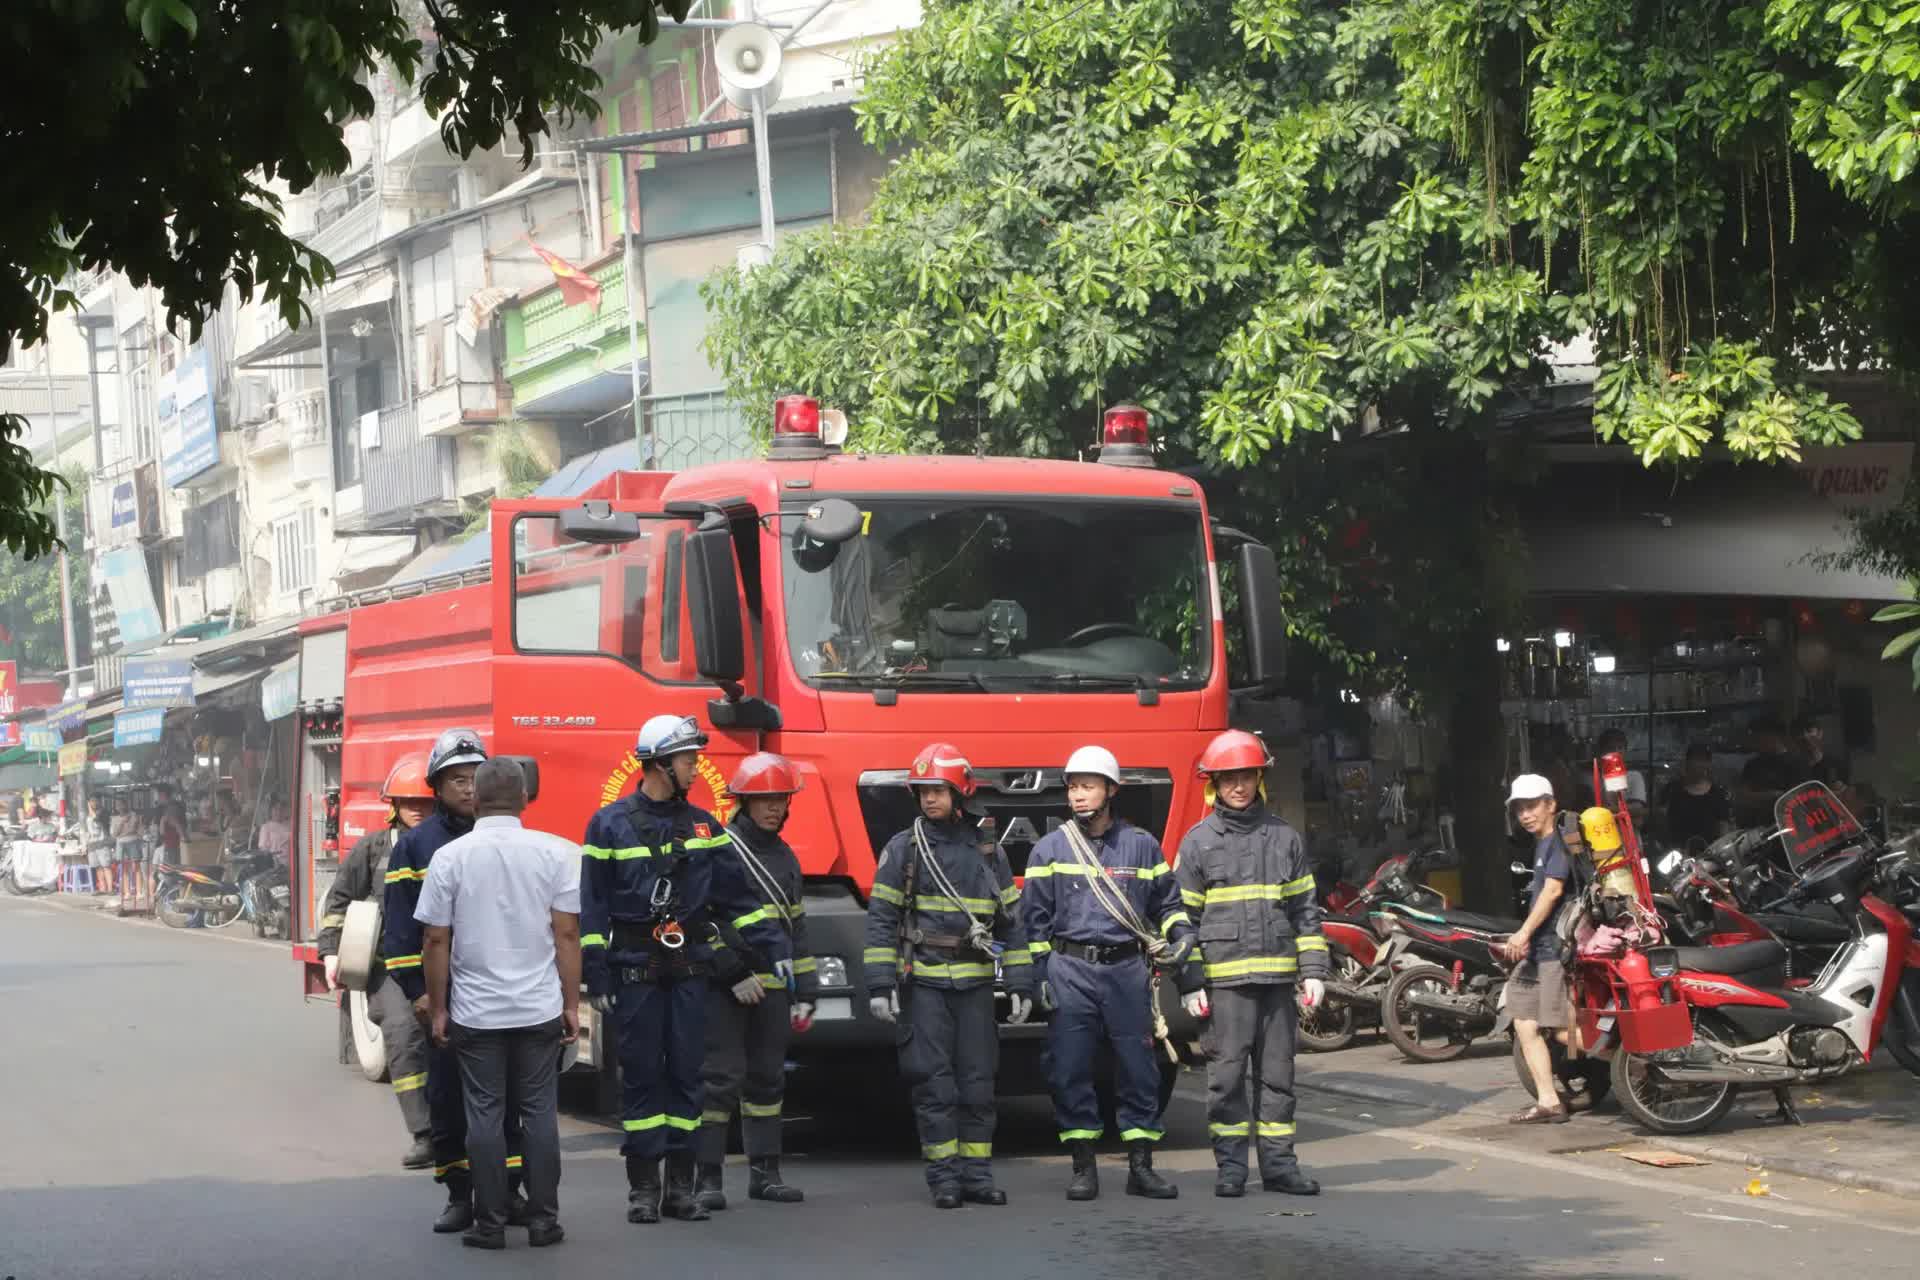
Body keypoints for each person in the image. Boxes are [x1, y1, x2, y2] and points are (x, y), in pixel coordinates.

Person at [578, 714, 777, 1226]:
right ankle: (643, 1190)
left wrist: (772, 950)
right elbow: (593, 907)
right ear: (661, 763)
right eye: (689, 760)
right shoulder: (609, 825)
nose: (696, 768)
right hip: (635, 972)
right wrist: (596, 974)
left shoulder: (705, 828)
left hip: (690, 972)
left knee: (689, 1075)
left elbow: (738, 900)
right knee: (642, 1078)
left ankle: (680, 1189)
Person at [416, 759, 580, 1251]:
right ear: (526, 798)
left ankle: (488, 1225)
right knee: (539, 1115)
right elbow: (567, 933)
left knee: (483, 1116)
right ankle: (543, 1221)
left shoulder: (450, 857)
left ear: (478, 799)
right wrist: (571, 1004)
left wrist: (440, 1008)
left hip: (476, 1013)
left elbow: (434, 939)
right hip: (538, 1009)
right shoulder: (556, 852)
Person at [863, 741, 1035, 1210]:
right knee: (933, 1085)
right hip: (925, 985)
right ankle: (944, 1180)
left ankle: (977, 1177)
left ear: (960, 792)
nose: (929, 799)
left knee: (979, 1085)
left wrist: (1020, 984)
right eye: (922, 792)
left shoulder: (987, 852)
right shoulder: (904, 850)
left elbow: (1011, 924)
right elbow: (881, 919)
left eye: (937, 790)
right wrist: (880, 984)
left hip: (976, 986)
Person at [1023, 744, 1197, 1201]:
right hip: (1070, 970)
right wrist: (1039, 974)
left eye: (1088, 787)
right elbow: (1034, 922)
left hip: (1126, 971)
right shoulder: (1049, 849)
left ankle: (1142, 1168)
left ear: (1111, 790)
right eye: (1074, 788)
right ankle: (1083, 1168)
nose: (1078, 796)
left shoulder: (1141, 845)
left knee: (1140, 1070)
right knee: (1069, 1068)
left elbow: (1169, 905)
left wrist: (1181, 937)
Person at [1174, 729, 1328, 1199]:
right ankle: (1232, 1170)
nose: (1238, 786)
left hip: (1278, 983)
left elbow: (1306, 911)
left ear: (1259, 779)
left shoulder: (1284, 838)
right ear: (1213, 785)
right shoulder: (1197, 844)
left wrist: (1315, 971)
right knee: (1226, 1081)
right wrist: (1189, 978)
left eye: (1246, 776)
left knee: (1279, 1077)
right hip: (1225, 987)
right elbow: (1182, 921)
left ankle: (1280, 1168)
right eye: (1228, 778)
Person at [382, 727, 524, 1234]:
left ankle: (509, 1192)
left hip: (504, 994)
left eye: (475, 778)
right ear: (436, 788)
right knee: (449, 1101)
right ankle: (461, 1195)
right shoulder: (416, 848)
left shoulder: (511, 838)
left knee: (510, 1102)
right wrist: (421, 995)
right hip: (447, 997)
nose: (467, 788)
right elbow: (400, 934)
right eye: (455, 779)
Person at [694, 752, 817, 1210]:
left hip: (774, 989)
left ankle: (766, 1172)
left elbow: (795, 929)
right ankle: (706, 1179)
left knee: (767, 1081)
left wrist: (806, 992)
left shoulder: (784, 856)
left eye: (780, 799)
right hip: (726, 986)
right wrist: (733, 972)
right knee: (720, 1080)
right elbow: (703, 921)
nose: (773, 808)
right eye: (763, 799)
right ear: (742, 802)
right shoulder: (720, 848)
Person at [316, 752, 438, 1168]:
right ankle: (424, 1134)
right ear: (394, 806)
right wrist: (331, 952)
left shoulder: (457, 842)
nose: (418, 810)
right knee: (403, 1036)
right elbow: (339, 901)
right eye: (410, 803)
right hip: (392, 965)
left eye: (426, 802)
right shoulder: (372, 849)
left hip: (448, 962)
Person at [1502, 773, 1573, 1124]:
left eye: (1532, 807)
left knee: (1561, 1030)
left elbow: (1553, 892)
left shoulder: (1558, 842)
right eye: (1520, 810)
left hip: (1553, 950)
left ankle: (1636, 1060)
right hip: (1536, 952)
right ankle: (1549, 1101)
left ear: (1551, 805)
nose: (1526, 815)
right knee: (1525, 1023)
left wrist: (1523, 933)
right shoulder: (1541, 845)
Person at [1662, 745, 1732, 851]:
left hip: (1709, 853)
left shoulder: (1718, 794)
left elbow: (1723, 827)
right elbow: (1661, 818)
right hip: (1676, 853)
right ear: (1687, 762)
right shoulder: (1672, 790)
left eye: (1704, 760)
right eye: (1696, 760)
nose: (1700, 765)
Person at [1737, 715, 1799, 826]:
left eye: (1758, 736)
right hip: (1758, 828)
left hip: (1790, 825)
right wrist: (1774, 795)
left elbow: (1794, 798)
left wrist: (1757, 797)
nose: (1754, 741)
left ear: (1773, 735)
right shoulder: (1752, 765)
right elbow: (1742, 797)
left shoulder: (1796, 762)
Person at [1593, 728, 1648, 826]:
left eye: (1620, 748)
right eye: (1611, 748)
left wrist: (1606, 811)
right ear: (1601, 752)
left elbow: (1638, 813)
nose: (1616, 752)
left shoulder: (1634, 777)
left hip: (1628, 839)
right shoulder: (1593, 778)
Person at [84, 796, 114, 894]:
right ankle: (102, 888)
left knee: (106, 866)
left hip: (102, 843)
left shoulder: (103, 812)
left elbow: (96, 819)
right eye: (91, 801)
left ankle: (110, 889)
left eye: (94, 801)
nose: (93, 803)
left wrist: (89, 807)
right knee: (97, 867)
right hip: (92, 844)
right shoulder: (88, 815)